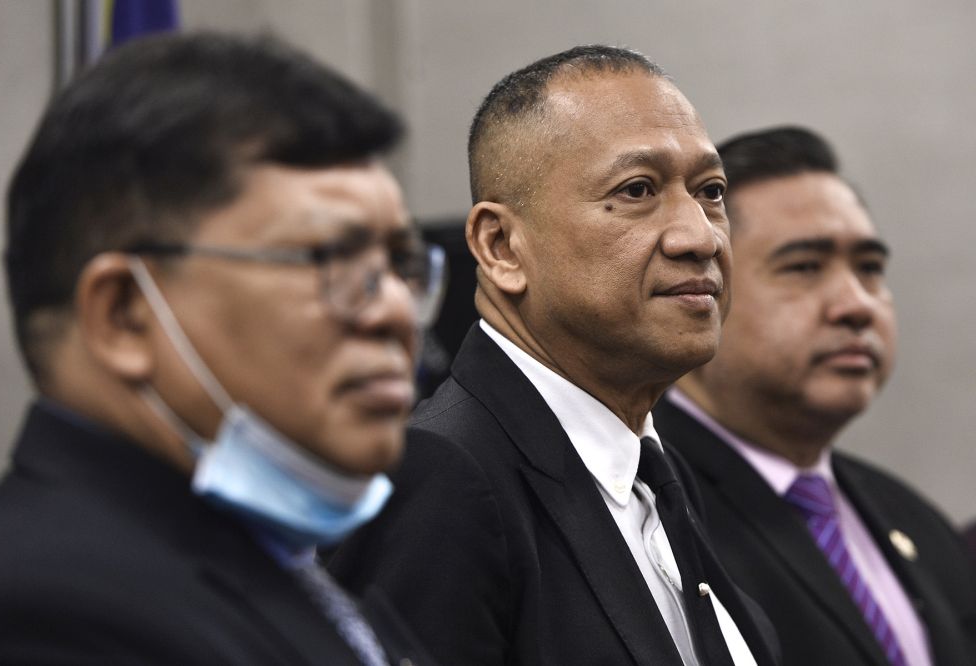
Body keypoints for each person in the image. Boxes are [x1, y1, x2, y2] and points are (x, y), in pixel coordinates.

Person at [0, 32, 444, 665]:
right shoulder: (46, 610)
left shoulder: (278, 567)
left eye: (399, 263)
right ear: (124, 315)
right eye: (327, 259)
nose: (393, 309)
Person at [327, 45, 779, 665]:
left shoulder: (655, 476)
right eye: (638, 189)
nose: (699, 235)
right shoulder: (442, 479)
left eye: (711, 191)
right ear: (501, 246)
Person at [652, 126, 976, 665]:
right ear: (703, 285)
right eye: (803, 267)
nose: (856, 305)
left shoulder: (916, 520)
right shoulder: (646, 513)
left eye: (870, 269)